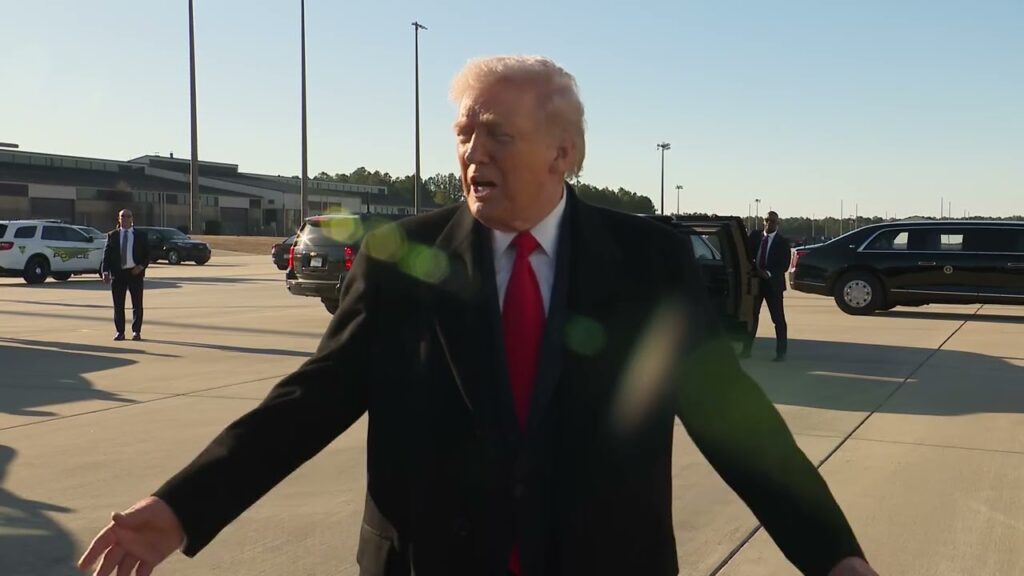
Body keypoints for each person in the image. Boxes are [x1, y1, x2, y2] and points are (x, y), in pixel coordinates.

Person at [79, 57, 878, 576]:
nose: (472, 153)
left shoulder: (649, 264)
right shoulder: (398, 257)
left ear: (563, 153)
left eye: (498, 134)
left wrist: (833, 555)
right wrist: (181, 508)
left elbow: (737, 422)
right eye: (464, 133)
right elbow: (309, 402)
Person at [741, 210, 792, 361]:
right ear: (763, 221)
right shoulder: (754, 236)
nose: (769, 223)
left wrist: (768, 273)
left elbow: (784, 265)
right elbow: (745, 254)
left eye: (773, 221)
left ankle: (781, 353)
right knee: (751, 317)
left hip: (773, 285)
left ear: (778, 224)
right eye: (767, 220)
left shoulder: (782, 242)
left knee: (778, 319)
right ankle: (746, 350)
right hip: (756, 283)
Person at [101, 209, 150, 341]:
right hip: (118, 274)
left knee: (137, 305)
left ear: (132, 219)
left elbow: (147, 255)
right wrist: (105, 271)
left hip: (135, 273)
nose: (125, 219)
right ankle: (120, 332)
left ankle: (136, 331)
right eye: (122, 216)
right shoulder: (113, 235)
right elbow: (106, 255)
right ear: (119, 218)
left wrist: (140, 266)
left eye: (128, 216)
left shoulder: (140, 235)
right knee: (118, 305)